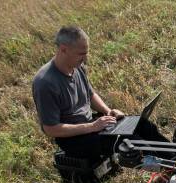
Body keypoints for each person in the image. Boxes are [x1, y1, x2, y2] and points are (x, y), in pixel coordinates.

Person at [32, 26, 125, 161]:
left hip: (91, 125)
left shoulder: (77, 66)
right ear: (64, 49)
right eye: (81, 54)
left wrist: (108, 111)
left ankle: (167, 157)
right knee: (128, 141)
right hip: (74, 140)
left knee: (139, 125)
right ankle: (164, 168)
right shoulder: (45, 83)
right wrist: (92, 127)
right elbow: (51, 129)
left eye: (86, 53)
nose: (85, 58)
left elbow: (90, 95)